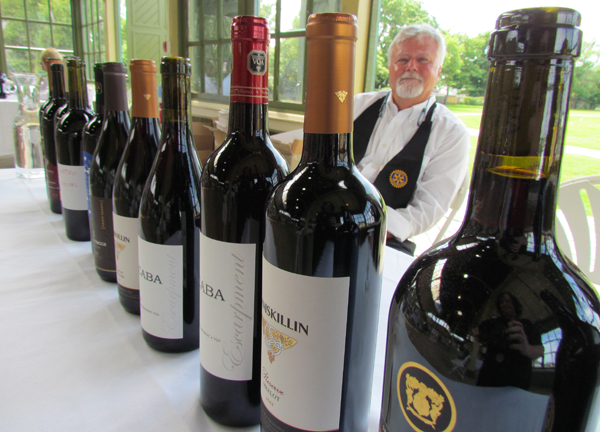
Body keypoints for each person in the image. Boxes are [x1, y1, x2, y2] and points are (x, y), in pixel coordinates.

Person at [352, 23, 470, 255]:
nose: (411, 67)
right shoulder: (356, 106)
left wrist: (365, 229)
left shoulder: (451, 132)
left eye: (423, 60)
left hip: (383, 238)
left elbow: (426, 210)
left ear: (438, 69)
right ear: (390, 67)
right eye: (403, 59)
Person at [474, 292, 544, 390]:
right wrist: (480, 336)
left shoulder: (526, 325)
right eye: (501, 302)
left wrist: (527, 348)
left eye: (508, 301)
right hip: (488, 380)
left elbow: (540, 350)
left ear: (515, 304)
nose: (504, 304)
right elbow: (483, 336)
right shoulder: (493, 323)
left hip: (516, 383)